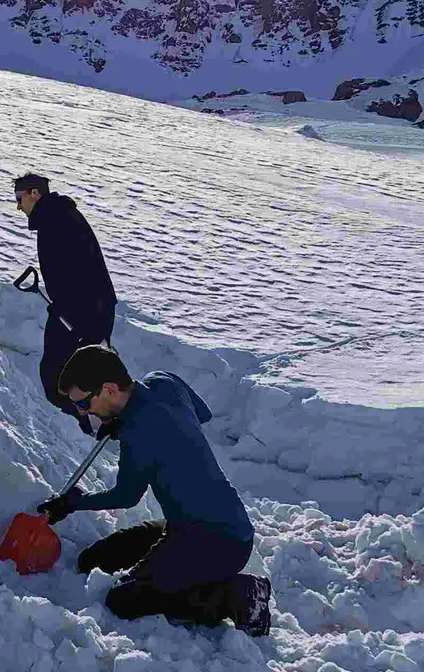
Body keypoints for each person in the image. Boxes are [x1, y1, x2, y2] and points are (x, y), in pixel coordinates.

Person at [37, 345, 271, 636]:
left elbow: (126, 496)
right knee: (93, 560)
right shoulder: (163, 381)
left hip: (218, 540)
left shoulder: (139, 434)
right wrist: (125, 420)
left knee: (123, 600)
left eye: (84, 403)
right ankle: (183, 568)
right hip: (193, 524)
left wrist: (72, 503)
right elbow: (202, 413)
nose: (83, 411)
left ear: (109, 388)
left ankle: (237, 595)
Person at [14, 173, 116, 434]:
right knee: (79, 368)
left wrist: (67, 310)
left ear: (34, 193)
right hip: (91, 307)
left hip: (83, 310)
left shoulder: (54, 220)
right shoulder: (60, 215)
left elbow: (75, 270)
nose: (18, 206)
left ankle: (96, 420)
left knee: (56, 376)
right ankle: (102, 416)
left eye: (19, 199)